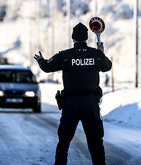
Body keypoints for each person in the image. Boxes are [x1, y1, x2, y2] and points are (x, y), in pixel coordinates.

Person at [34, 22, 112, 165]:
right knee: (95, 142)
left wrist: (40, 60)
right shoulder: (96, 55)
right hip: (90, 104)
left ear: (73, 38)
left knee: (64, 141)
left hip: (71, 105)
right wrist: (101, 53)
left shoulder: (66, 56)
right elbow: (107, 67)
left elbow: (46, 67)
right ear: (87, 38)